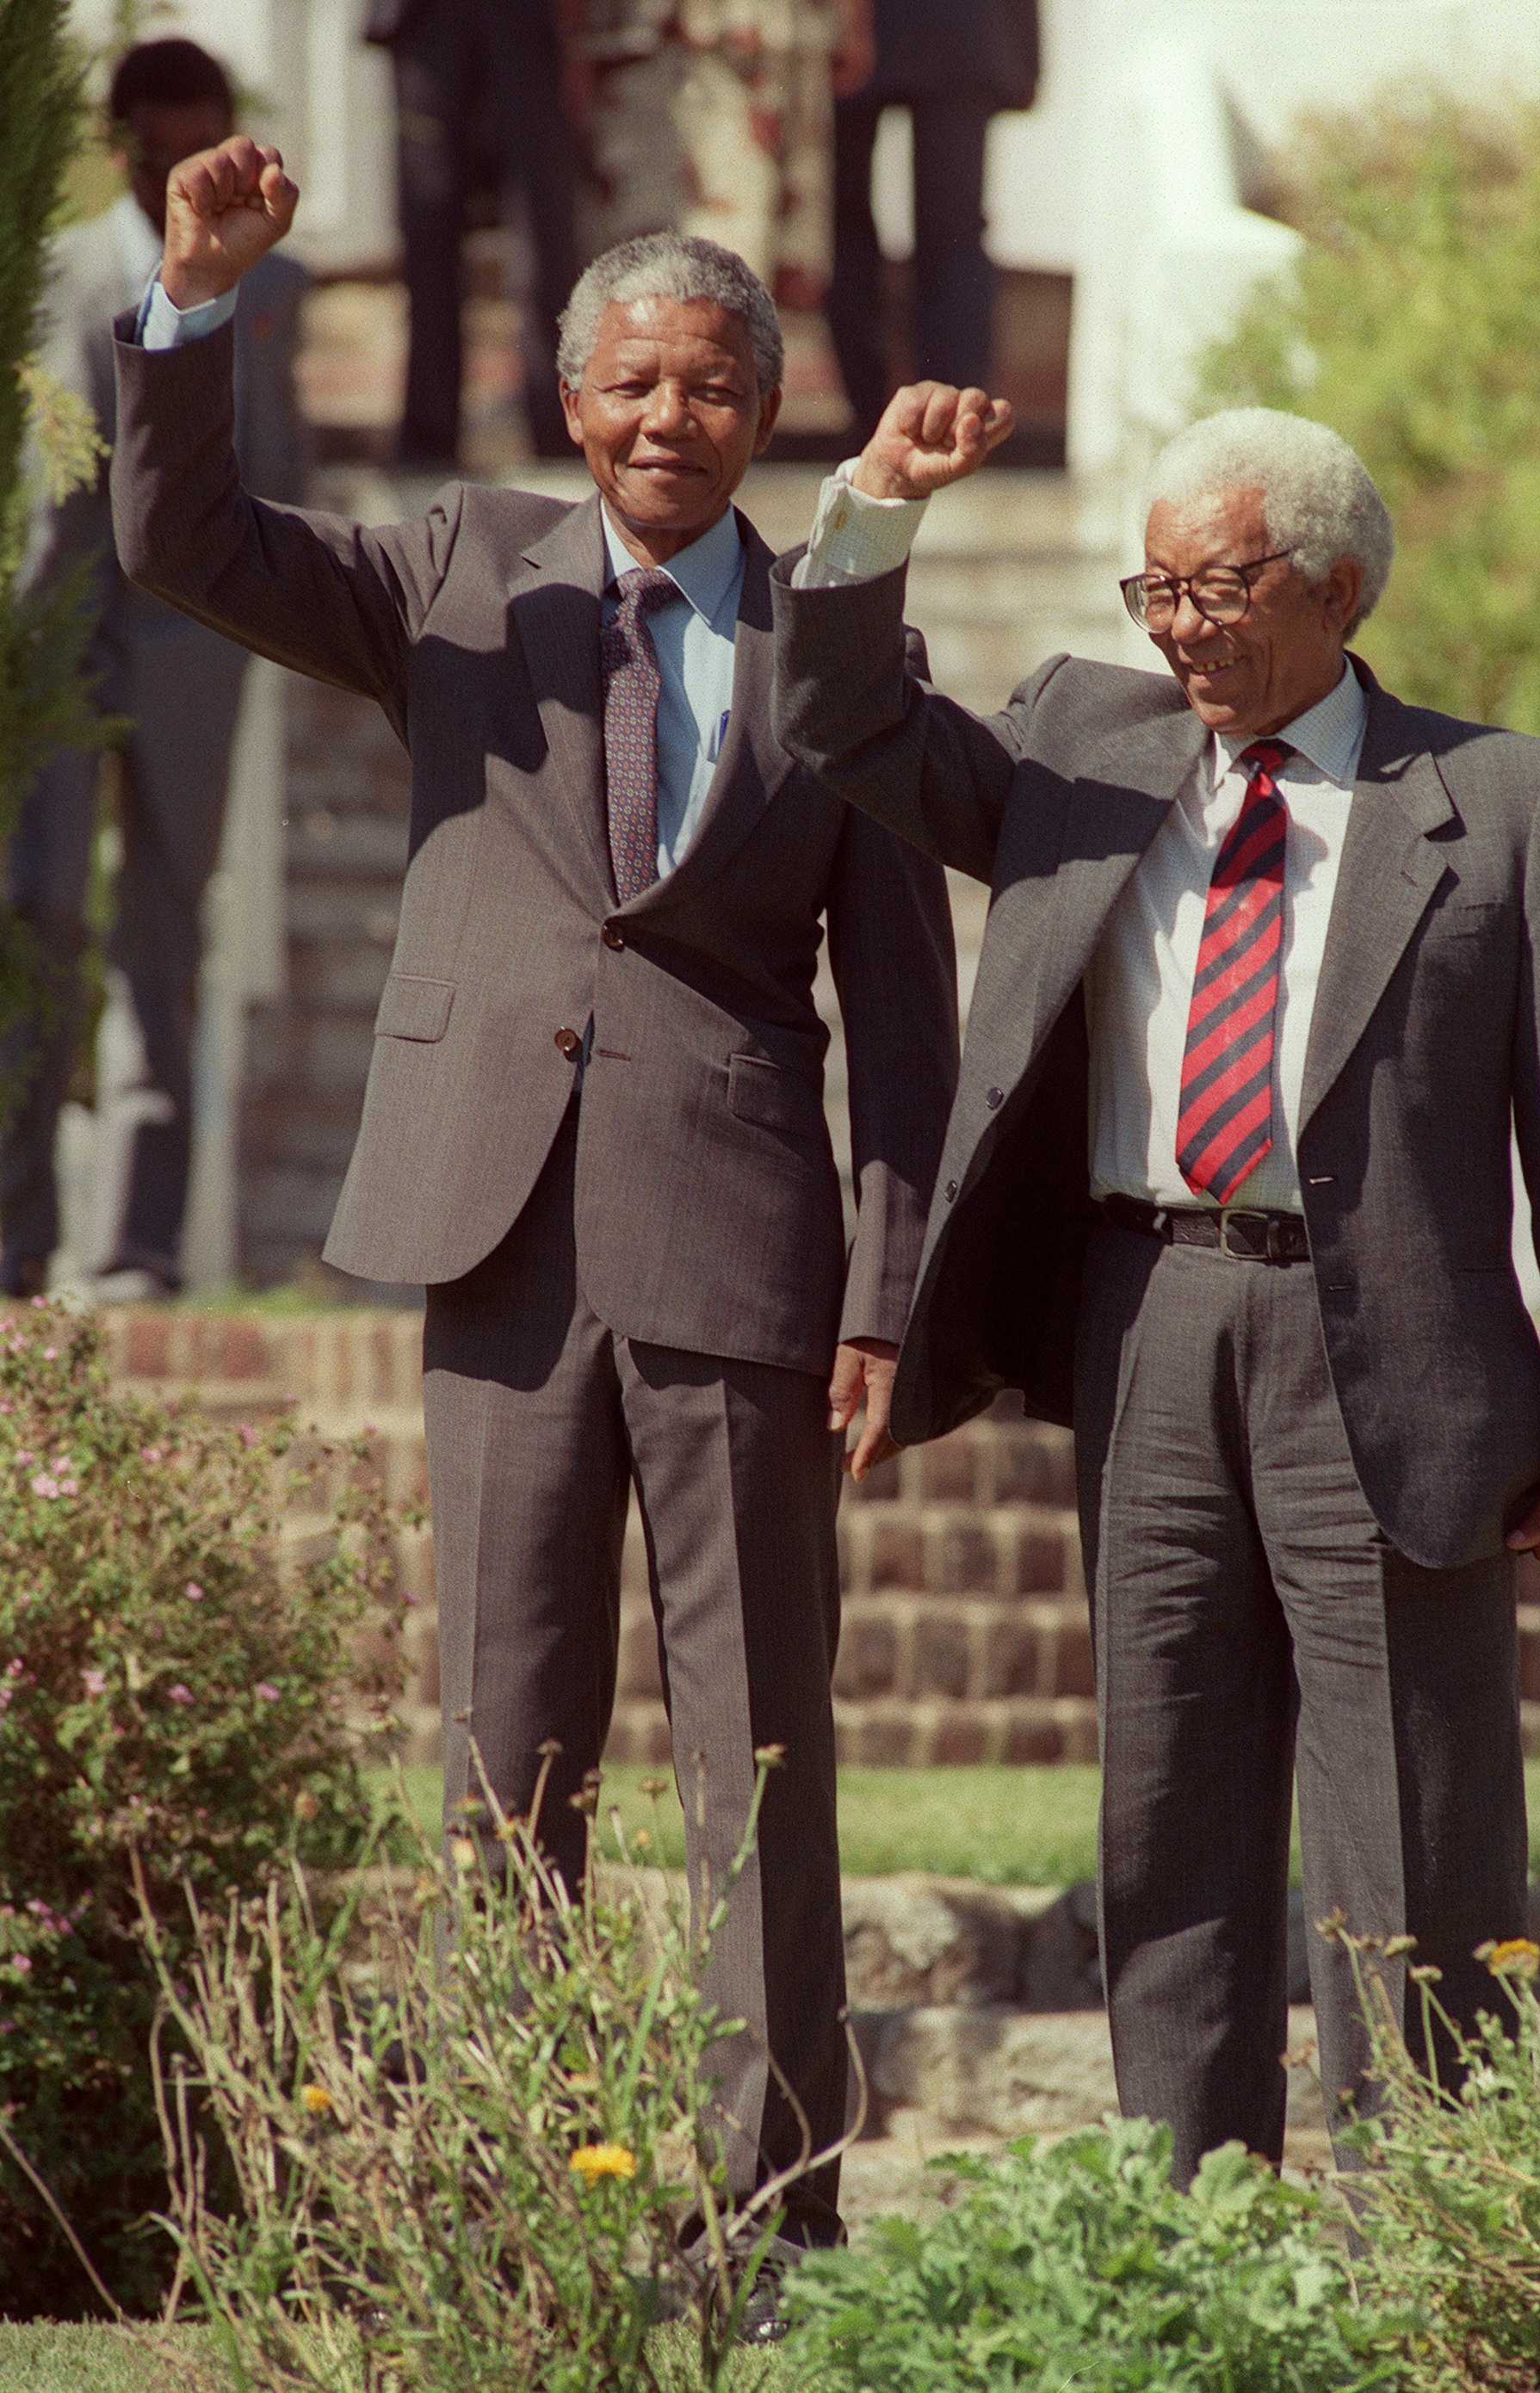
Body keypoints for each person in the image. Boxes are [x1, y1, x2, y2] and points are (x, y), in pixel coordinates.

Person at [108, 139, 957, 2275]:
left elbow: (906, 1021)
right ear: (568, 398)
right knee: (507, 1747)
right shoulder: (453, 571)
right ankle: (519, 2190)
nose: (665, 420)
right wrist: (197, 302)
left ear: (762, 414)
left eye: (707, 387)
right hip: (491, 1236)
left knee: (756, 1757)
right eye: (628, 384)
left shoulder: (841, 645)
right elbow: (183, 535)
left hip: (748, 1260)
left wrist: (890, 1299)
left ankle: (768, 2219)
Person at [770, 390, 1540, 2183]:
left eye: (1223, 588)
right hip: (1146, 1324)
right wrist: (872, 505)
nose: (1182, 628)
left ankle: (1438, 2249)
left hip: (1394, 1360)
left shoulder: (1498, 801)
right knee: (1166, 1813)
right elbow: (841, 715)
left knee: (1412, 1836)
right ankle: (1188, 2248)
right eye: (1155, 591)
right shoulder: (1079, 749)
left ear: (1336, 587)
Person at [1, 39, 309, 1301]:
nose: (174, 164)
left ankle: (139, 1251)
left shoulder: (275, 283)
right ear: (119, 143)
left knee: (165, 937)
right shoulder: (52, 269)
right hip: (56, 641)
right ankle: (15, 1242)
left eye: (203, 136)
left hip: (194, 652)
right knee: (38, 921)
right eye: (154, 143)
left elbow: (280, 468)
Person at [364, 0, 584, 462]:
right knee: (427, 219)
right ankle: (427, 437)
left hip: (524, 17)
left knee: (543, 231)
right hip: (424, 17)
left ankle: (562, 429)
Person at [568, 0, 874, 310]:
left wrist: (854, 22)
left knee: (747, 261)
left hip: (755, 36)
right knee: (637, 259)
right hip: (648, 40)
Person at [826, 0, 1038, 442]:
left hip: (924, 29)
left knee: (861, 227)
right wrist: (1025, 50)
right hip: (959, 30)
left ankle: (915, 410)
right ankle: (949, 411)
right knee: (941, 231)